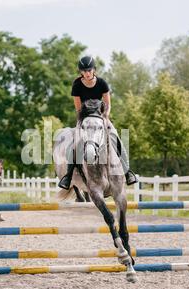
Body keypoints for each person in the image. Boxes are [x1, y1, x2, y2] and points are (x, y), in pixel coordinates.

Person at [58, 56, 138, 190]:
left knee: (116, 139)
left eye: (89, 70)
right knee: (74, 144)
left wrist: (105, 117)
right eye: (84, 71)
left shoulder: (102, 83)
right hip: (84, 118)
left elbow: (108, 104)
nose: (87, 73)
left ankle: (127, 172)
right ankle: (68, 175)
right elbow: (78, 108)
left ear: (94, 70)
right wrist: (82, 121)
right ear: (81, 72)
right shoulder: (77, 85)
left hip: (101, 117)